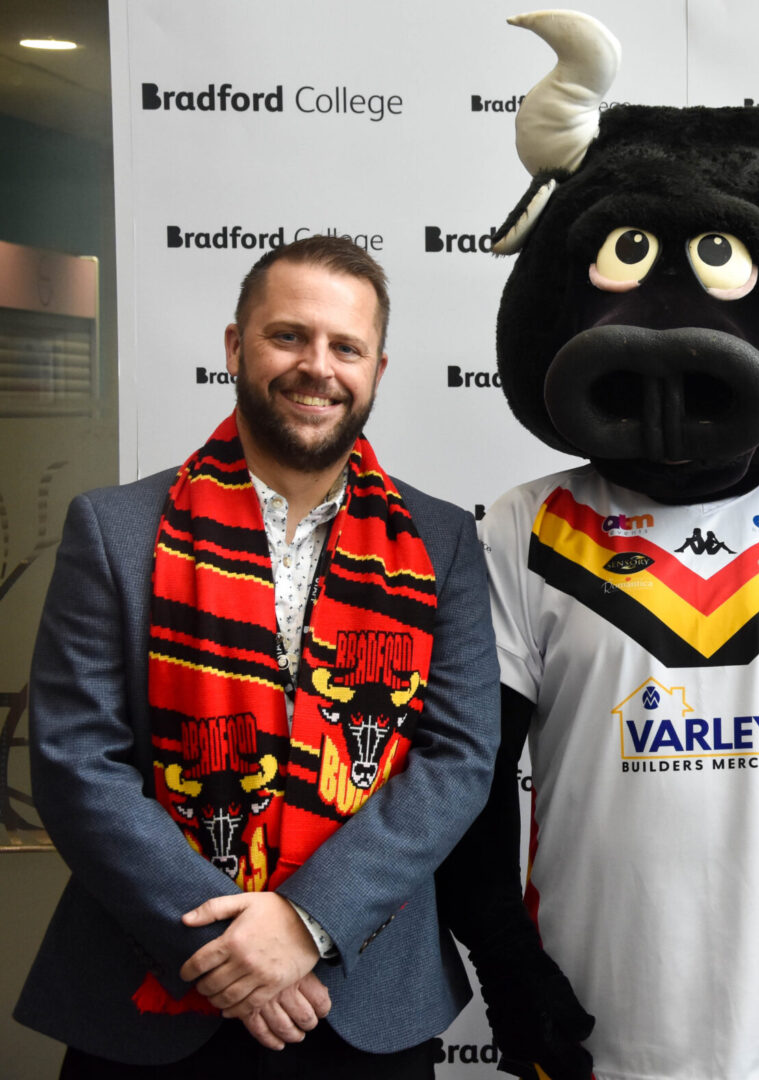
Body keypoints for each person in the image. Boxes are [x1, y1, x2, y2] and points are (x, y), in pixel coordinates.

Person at [14, 236, 499, 1077]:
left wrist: (307, 921)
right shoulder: (114, 529)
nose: (318, 367)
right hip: (150, 993)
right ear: (236, 347)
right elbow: (74, 760)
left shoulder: (442, 540)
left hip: (363, 992)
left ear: (377, 369)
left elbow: (456, 759)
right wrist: (236, 943)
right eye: (288, 336)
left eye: (345, 347)